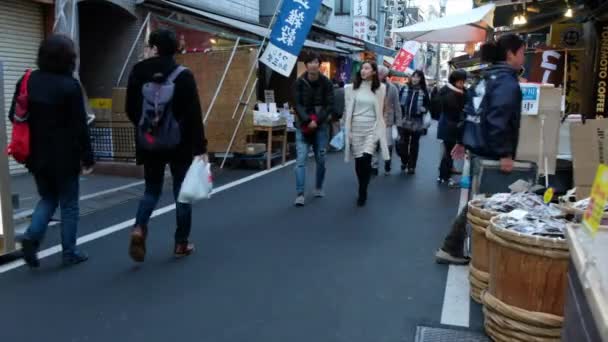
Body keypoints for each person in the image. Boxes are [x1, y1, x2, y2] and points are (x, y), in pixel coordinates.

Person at [436, 34, 525, 264]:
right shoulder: (507, 82)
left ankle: (465, 249)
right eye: (522, 52)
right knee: (484, 202)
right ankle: (454, 247)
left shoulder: (485, 77)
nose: (523, 57)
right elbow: (499, 119)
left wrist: (463, 139)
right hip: (491, 150)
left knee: (481, 200)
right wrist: (506, 153)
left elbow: (470, 112)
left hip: (477, 146)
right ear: (511, 54)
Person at [12, 35, 94, 268]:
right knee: (69, 203)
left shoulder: (28, 80)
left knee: (48, 197)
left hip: (36, 154)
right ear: (69, 59)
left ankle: (31, 236)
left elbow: (15, 115)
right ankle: (69, 252)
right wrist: (88, 157)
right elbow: (80, 126)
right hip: (66, 156)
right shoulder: (70, 86)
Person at [126, 28, 207, 262]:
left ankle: (139, 227)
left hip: (149, 142)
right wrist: (200, 148)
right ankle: (181, 243)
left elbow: (131, 109)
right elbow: (193, 114)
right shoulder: (183, 75)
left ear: (154, 48)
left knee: (151, 189)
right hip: (178, 143)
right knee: (182, 192)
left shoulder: (138, 71)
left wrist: (147, 128)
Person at [344, 61, 389, 207]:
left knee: (366, 158)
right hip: (356, 128)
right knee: (358, 162)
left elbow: (381, 111)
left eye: (367, 68)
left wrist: (380, 129)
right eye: (362, 68)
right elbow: (347, 111)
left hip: (371, 129)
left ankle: (363, 191)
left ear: (374, 72)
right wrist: (347, 129)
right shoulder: (351, 88)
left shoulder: (380, 89)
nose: (363, 70)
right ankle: (361, 186)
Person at [293, 52, 334, 206]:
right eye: (310, 62)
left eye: (316, 62)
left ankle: (318, 186)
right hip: (302, 125)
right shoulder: (299, 82)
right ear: (306, 65)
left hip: (321, 125)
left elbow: (329, 105)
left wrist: (318, 120)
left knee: (321, 159)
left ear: (319, 64)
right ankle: (300, 193)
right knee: (301, 160)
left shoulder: (326, 83)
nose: (313, 65)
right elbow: (297, 104)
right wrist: (307, 120)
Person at [436, 70, 467, 186]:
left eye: (463, 81)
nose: (461, 83)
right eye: (459, 81)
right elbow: (440, 105)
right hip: (448, 126)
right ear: (454, 80)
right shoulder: (447, 91)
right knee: (449, 152)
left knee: (449, 152)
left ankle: (444, 175)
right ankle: (444, 176)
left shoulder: (463, 92)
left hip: (454, 127)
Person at [397, 70, 430, 174]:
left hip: (417, 121)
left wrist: (423, 109)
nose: (415, 79)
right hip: (404, 119)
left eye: (418, 77)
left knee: (414, 145)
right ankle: (404, 160)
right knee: (402, 144)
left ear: (421, 79)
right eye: (413, 76)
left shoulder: (424, 91)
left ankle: (411, 166)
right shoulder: (404, 88)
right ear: (411, 77)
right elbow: (398, 103)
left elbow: (428, 105)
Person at [372, 65, 402, 176]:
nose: (378, 76)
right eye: (377, 73)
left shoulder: (392, 88)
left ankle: (387, 162)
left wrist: (398, 123)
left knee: (388, 145)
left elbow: (397, 106)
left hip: (388, 121)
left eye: (381, 74)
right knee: (373, 145)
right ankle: (374, 166)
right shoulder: (371, 86)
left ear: (385, 75)